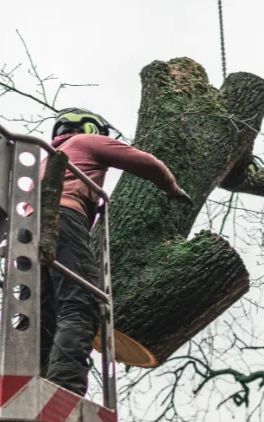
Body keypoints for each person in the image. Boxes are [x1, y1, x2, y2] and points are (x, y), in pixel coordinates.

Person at [39, 107, 191, 396]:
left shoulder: (43, 161)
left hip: (28, 231)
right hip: (63, 219)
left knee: (41, 311)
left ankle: (31, 379)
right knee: (80, 304)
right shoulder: (86, 142)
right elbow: (144, 162)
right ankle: (64, 391)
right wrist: (171, 188)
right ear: (90, 128)